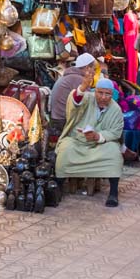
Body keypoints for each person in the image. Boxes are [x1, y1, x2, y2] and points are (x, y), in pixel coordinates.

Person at [55, 77, 125, 207]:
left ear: (112, 94)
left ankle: (113, 193)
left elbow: (115, 132)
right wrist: (82, 87)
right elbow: (75, 102)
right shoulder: (87, 98)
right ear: (95, 91)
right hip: (77, 141)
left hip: (99, 145)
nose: (103, 97)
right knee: (65, 150)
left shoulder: (116, 109)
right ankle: (58, 188)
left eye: (107, 94)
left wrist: (98, 136)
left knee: (114, 153)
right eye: (100, 92)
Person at [49, 53, 96, 143]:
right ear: (87, 68)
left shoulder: (70, 77)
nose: (94, 72)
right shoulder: (78, 79)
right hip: (63, 121)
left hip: (56, 119)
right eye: (94, 69)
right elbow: (89, 103)